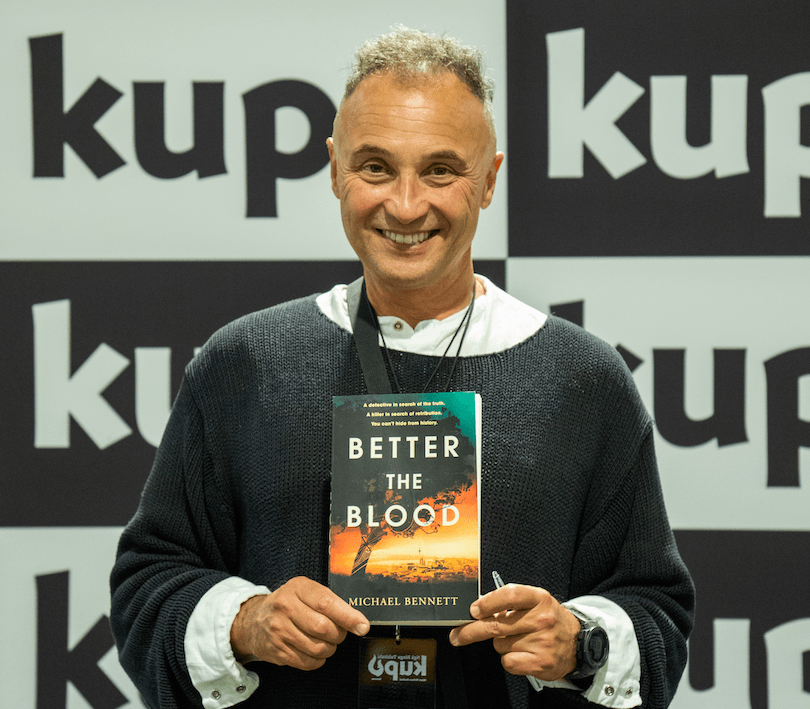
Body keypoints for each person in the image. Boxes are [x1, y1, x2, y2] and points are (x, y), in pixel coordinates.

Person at [110, 27, 694, 709]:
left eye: (441, 170)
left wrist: (580, 641)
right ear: (333, 169)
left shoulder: (583, 380)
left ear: (490, 181)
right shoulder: (243, 364)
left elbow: (658, 614)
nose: (407, 204)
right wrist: (245, 622)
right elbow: (147, 585)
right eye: (376, 167)